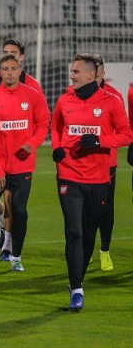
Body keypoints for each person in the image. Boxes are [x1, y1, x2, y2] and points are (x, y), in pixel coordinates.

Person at [51, 53, 131, 311]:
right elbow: (56, 127)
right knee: (73, 231)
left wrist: (100, 141)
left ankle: (77, 277)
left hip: (99, 178)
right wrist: (57, 149)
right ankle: (76, 289)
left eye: (75, 72)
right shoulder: (64, 100)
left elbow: (127, 134)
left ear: (90, 74)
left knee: (87, 235)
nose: (71, 75)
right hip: (68, 175)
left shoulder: (111, 102)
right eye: (71, 71)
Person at [0, 38, 45, 260]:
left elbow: (42, 121)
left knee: (15, 206)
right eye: (5, 53)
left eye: (13, 54)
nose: (10, 58)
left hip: (20, 159)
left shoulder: (32, 88)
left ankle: (9, 247)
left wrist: (31, 144)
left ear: (21, 59)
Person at [92, 54, 125, 271]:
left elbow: (125, 133)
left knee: (106, 210)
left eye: (98, 72)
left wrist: (100, 141)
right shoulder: (73, 96)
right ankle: (85, 250)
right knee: (85, 211)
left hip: (107, 164)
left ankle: (104, 250)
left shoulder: (114, 97)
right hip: (79, 165)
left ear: (103, 73)